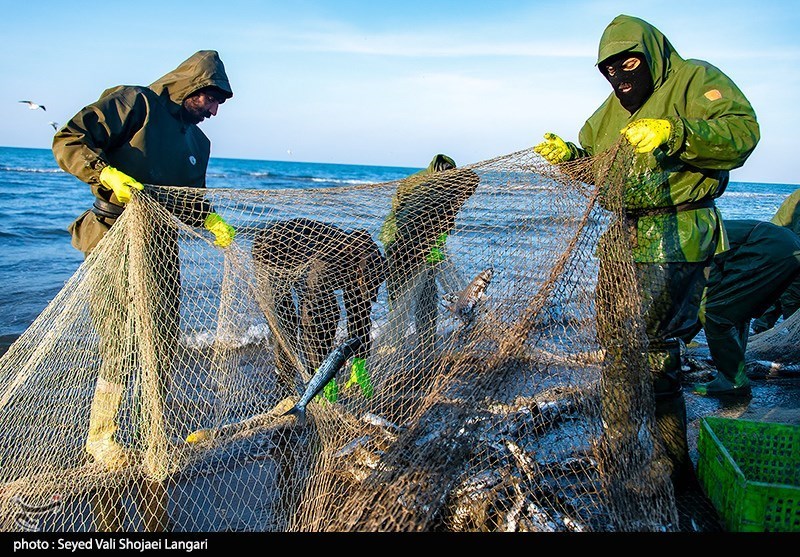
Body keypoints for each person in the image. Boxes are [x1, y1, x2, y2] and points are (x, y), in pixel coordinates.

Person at [534, 14, 760, 492]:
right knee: (616, 343)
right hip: (621, 236)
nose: (621, 78)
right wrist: (571, 159)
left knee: (654, 346)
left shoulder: (694, 78)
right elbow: (598, 172)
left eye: (630, 64)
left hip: (678, 228)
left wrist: (673, 132)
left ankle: (667, 460)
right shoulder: (609, 112)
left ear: (651, 56)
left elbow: (743, 133)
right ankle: (618, 439)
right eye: (610, 70)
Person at [52, 50, 236, 472]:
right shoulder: (136, 102)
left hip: (160, 245)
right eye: (209, 99)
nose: (213, 110)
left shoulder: (199, 142)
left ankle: (150, 429)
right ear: (191, 85)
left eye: (219, 104)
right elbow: (68, 140)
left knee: (163, 341)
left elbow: (189, 203)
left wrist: (209, 218)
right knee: (120, 339)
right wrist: (104, 174)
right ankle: (102, 438)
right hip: (114, 236)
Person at [252, 218, 386, 402]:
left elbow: (360, 311)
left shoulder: (367, 262)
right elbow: (313, 322)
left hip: (305, 252)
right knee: (286, 325)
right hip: (270, 250)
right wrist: (323, 375)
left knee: (328, 313)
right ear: (357, 272)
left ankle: (307, 378)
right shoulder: (325, 267)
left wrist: (360, 360)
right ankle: (284, 383)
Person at [683, 220, 800, 397]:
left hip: (769, 248)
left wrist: (682, 336)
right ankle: (734, 371)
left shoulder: (687, 242)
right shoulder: (692, 230)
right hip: (786, 246)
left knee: (714, 314)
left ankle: (732, 381)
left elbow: (707, 291)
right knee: (737, 312)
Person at [380, 154, 480, 353]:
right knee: (405, 297)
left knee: (419, 296)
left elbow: (472, 179)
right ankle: (401, 345)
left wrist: (433, 253)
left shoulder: (429, 183)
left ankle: (419, 344)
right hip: (400, 244)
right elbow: (406, 219)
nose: (460, 199)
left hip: (410, 243)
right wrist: (424, 253)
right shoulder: (428, 190)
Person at [752, 188, 800, 333]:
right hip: (789, 249)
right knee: (793, 293)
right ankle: (795, 335)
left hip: (778, 247)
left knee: (780, 288)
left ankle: (760, 327)